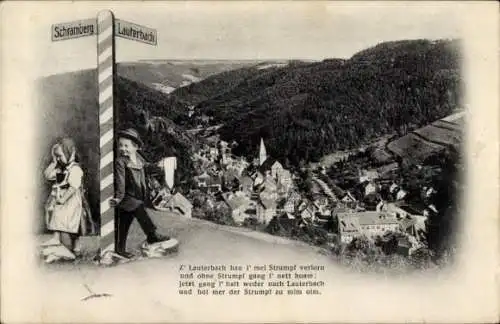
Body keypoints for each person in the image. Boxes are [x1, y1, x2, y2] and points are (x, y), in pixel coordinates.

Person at [109, 128, 169, 259]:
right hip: (126, 197)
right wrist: (119, 198)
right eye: (120, 145)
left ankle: (120, 249)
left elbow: (147, 167)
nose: (123, 148)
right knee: (140, 211)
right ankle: (152, 236)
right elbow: (120, 181)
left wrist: (159, 166)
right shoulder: (121, 161)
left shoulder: (139, 160)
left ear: (135, 147)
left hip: (137, 196)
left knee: (124, 224)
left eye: (126, 146)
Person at [43, 138, 96, 260]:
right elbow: (47, 175)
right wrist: (54, 162)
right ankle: (64, 245)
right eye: (56, 156)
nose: (58, 159)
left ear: (70, 153)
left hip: (70, 201)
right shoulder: (60, 168)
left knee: (69, 223)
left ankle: (66, 248)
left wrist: (63, 199)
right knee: (61, 220)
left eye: (59, 156)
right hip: (62, 200)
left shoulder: (75, 169)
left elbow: (73, 187)